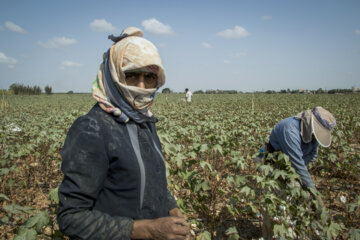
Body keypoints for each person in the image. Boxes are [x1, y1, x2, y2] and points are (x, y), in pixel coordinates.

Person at [57, 27, 190, 240]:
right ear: (113, 74)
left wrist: (173, 209)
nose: (141, 86)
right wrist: (147, 230)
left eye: (149, 76)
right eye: (131, 75)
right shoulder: (92, 128)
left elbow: (151, 179)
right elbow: (71, 217)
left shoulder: (144, 120)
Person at [256, 106, 336, 189]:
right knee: (271, 186)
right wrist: (312, 189)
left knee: (294, 181)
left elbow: (313, 154)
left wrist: (296, 171)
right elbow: (297, 162)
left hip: (291, 161)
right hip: (271, 155)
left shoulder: (311, 133)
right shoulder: (289, 130)